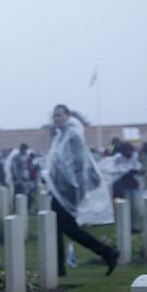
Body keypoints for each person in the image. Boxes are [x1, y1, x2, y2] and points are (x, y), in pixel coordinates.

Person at [43, 105, 119, 276]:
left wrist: (72, 187)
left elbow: (78, 164)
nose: (56, 119)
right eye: (54, 116)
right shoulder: (60, 135)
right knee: (58, 227)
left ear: (68, 116)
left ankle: (107, 252)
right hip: (60, 190)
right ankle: (59, 268)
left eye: (60, 115)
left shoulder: (72, 135)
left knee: (67, 228)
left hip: (69, 190)